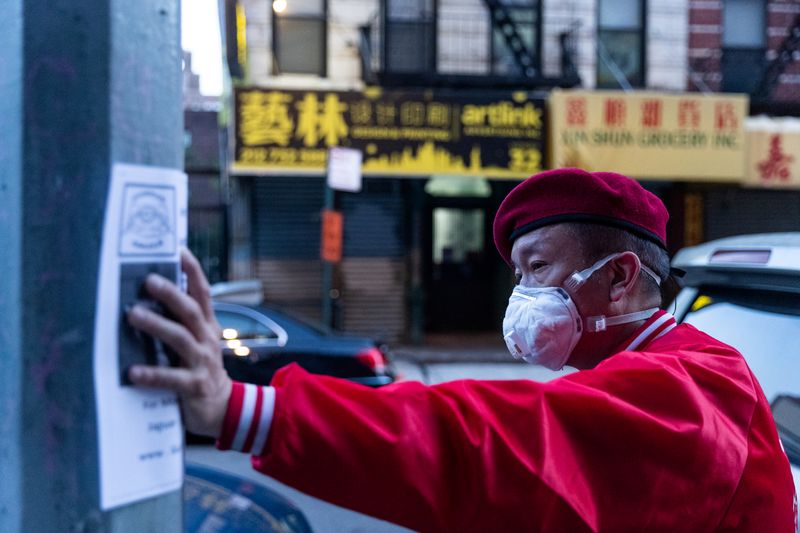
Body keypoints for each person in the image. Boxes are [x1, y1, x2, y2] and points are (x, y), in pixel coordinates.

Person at [128, 168, 797, 532]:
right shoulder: (654, 369)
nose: (522, 293)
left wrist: (237, 406)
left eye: (535, 267)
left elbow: (488, 445)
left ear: (619, 277)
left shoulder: (696, 387)